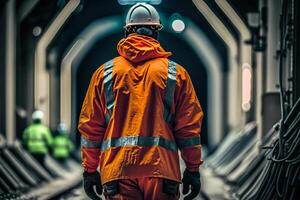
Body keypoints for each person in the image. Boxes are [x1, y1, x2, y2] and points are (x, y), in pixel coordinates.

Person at [78, 3, 204, 200]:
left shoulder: (104, 74)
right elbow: (189, 129)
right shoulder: (176, 74)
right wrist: (193, 169)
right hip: (161, 171)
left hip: (117, 171)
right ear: (156, 33)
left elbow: (91, 128)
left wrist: (90, 170)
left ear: (127, 31)